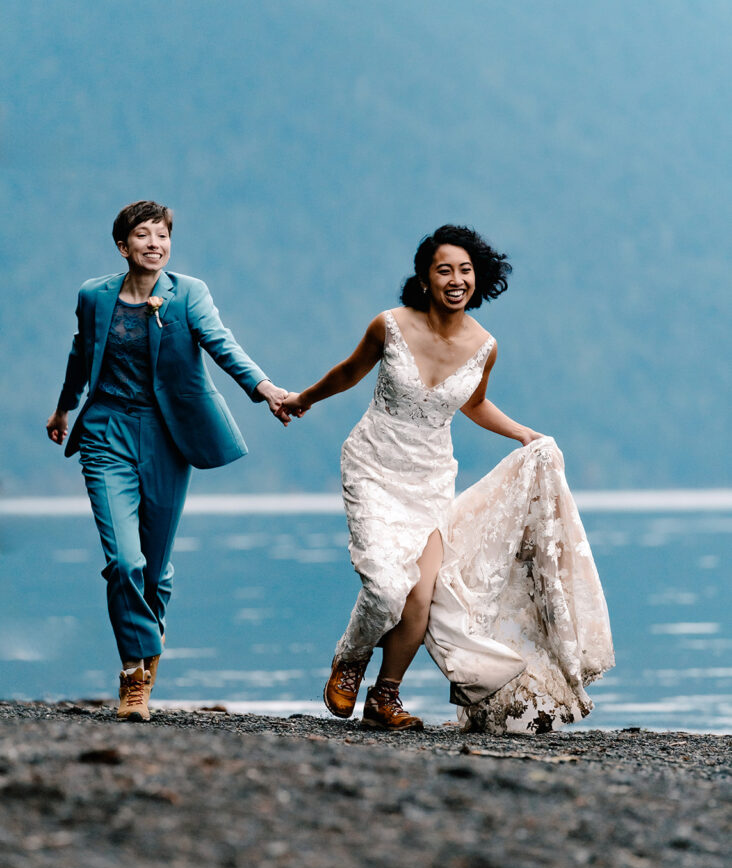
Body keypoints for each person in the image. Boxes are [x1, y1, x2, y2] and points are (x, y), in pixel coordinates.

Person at [281, 225, 614, 733]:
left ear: (477, 280)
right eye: (444, 270)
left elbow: (474, 404)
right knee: (387, 586)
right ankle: (350, 659)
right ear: (424, 279)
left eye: (465, 271)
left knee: (420, 595)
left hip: (432, 479)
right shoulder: (389, 326)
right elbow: (350, 372)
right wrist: (303, 398)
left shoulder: (484, 346)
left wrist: (523, 433)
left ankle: (384, 698)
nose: (456, 280)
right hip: (374, 464)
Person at [46, 200, 292, 722]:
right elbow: (79, 353)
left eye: (162, 235)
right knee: (124, 562)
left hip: (167, 436)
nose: (154, 244)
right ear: (123, 246)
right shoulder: (94, 295)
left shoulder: (188, 294)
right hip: (105, 430)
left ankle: (146, 636)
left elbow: (222, 345)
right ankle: (134, 672)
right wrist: (66, 407)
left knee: (153, 571)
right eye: (143, 235)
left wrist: (264, 388)